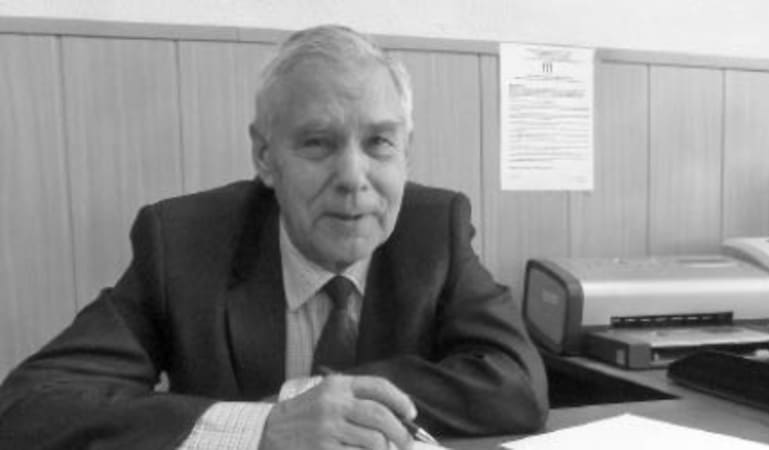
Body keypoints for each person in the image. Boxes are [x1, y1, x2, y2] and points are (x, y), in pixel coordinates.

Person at [0, 25, 548, 449]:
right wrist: (263, 427)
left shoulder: (435, 229)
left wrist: (319, 400)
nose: (353, 177)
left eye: (379, 142)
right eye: (317, 143)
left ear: (406, 151)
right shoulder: (185, 243)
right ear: (265, 156)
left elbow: (517, 384)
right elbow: (29, 405)